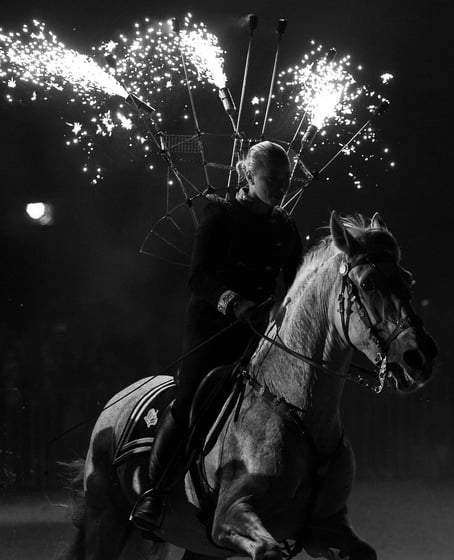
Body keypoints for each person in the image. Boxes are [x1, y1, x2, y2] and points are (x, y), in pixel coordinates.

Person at [131, 140, 303, 531]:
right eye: (271, 180)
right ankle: (154, 493)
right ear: (249, 176)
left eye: (285, 180)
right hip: (212, 328)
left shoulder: (285, 227)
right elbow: (198, 277)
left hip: (258, 334)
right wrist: (235, 302)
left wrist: (286, 311)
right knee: (189, 398)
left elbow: (295, 284)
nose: (280, 188)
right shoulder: (220, 216)